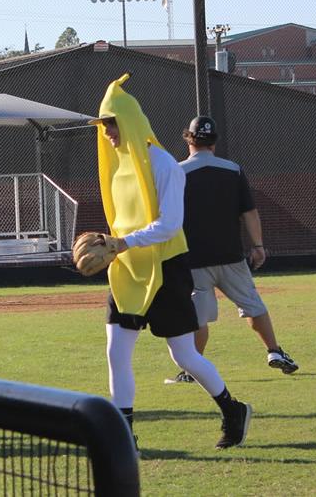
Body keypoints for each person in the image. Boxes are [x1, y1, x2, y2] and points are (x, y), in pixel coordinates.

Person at [88, 74, 252, 450]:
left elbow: (169, 225)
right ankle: (124, 434)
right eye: (103, 125)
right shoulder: (116, 165)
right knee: (116, 350)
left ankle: (232, 410)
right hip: (128, 268)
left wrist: (122, 242)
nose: (107, 132)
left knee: (184, 354)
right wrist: (111, 243)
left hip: (165, 267)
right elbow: (125, 217)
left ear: (129, 122)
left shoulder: (163, 163)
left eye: (111, 123)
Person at [166, 116, 298, 384]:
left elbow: (167, 217)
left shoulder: (177, 172)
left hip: (194, 259)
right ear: (214, 141)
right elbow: (249, 212)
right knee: (252, 305)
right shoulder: (233, 170)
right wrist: (258, 246)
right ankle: (273, 351)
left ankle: (193, 369)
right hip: (231, 256)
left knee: (198, 317)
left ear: (189, 139)